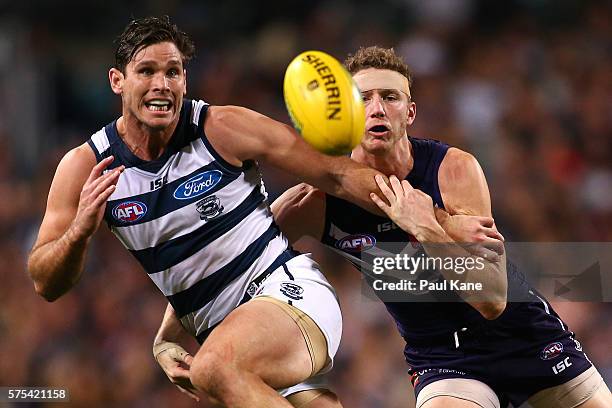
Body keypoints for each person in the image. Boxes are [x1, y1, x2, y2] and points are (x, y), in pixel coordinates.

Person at [155, 47, 612, 407]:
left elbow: (491, 299)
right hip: (443, 359)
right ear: (342, 113)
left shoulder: (452, 169)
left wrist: (424, 227)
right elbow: (233, 262)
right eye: (363, 99)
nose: (376, 108)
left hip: (526, 335)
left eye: (390, 97)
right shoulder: (317, 202)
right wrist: (166, 338)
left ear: (409, 113)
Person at [26, 16, 397, 408]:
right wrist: (79, 233)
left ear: (185, 80)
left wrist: (428, 218)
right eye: (146, 71)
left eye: (173, 72)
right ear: (117, 81)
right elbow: (45, 282)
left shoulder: (222, 128)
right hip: (230, 339)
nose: (162, 84)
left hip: (289, 294)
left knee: (211, 369)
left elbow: (336, 175)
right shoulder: (86, 167)